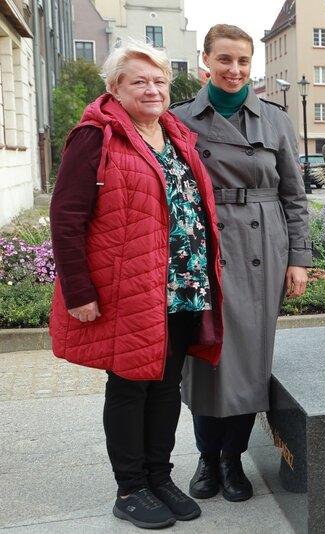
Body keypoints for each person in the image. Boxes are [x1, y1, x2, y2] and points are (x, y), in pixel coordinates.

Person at [49, 41, 223, 529]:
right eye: (139, 81)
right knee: (130, 386)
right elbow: (66, 219)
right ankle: (130, 488)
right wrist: (79, 291)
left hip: (182, 286)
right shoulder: (95, 137)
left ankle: (159, 476)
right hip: (129, 288)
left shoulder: (176, 135)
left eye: (160, 81)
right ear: (115, 88)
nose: (152, 89)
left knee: (167, 385)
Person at [171, 24, 312, 502]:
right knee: (206, 359)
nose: (235, 70)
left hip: (262, 244)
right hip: (205, 246)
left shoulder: (275, 119)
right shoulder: (180, 119)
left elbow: (295, 195)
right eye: (225, 59)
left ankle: (233, 461)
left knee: (251, 359)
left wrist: (299, 259)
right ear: (205, 60)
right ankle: (206, 460)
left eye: (244, 61)